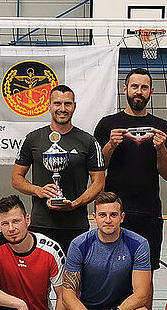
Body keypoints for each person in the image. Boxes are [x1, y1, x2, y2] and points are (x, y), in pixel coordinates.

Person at [93, 68, 167, 267]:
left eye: (144, 87)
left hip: (149, 212)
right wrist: (110, 145)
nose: (139, 91)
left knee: (146, 271)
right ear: (125, 89)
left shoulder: (162, 127)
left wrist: (161, 148)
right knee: (112, 269)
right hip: (114, 211)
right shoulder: (107, 124)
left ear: (151, 91)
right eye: (135, 86)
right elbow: (97, 167)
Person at [12, 84, 106, 253]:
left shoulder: (88, 142)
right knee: (41, 271)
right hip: (41, 224)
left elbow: (99, 183)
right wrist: (39, 190)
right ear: (49, 106)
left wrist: (75, 203)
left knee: (74, 271)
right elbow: (16, 179)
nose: (62, 109)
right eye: (57, 103)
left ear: (74, 106)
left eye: (67, 104)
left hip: (76, 225)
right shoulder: (33, 139)